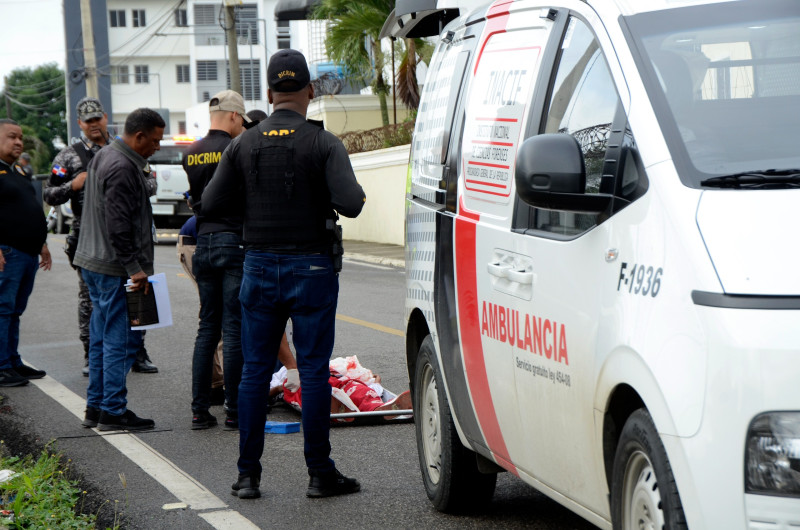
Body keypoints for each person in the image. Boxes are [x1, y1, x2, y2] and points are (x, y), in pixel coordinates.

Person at [202, 49, 366, 500]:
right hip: (312, 267)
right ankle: (319, 473)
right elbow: (351, 202)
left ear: (270, 93)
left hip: (258, 265)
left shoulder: (243, 144)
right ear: (310, 91)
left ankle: (247, 476)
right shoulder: (323, 142)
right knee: (313, 371)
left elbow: (211, 205)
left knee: (254, 371)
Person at [45, 97, 159, 377]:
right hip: (89, 235)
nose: (94, 125)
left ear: (105, 117)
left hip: (128, 232)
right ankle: (92, 354)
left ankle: (137, 352)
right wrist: (73, 184)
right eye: (88, 121)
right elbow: (49, 193)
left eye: (98, 119)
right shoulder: (69, 156)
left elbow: (152, 183)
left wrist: (134, 184)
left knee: (138, 295)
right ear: (80, 124)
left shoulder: (127, 147)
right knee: (91, 301)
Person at [73, 108, 165, 431]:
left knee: (100, 336)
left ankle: (95, 407)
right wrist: (134, 268)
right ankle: (113, 410)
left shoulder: (104, 155)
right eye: (154, 141)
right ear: (138, 136)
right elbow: (118, 225)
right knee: (119, 339)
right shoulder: (124, 167)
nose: (157, 147)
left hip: (94, 262)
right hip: (113, 267)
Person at [183, 90, 251, 431]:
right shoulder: (237, 147)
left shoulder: (191, 152)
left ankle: (199, 410)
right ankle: (235, 411)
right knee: (233, 328)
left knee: (206, 327)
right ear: (235, 116)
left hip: (203, 242)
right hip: (233, 241)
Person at [0, 119, 51, 387]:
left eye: (20, 137)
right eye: (11, 137)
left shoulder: (18, 171)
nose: (18, 142)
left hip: (28, 252)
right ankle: (1, 366)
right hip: (8, 252)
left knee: (14, 310)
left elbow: (30, 208)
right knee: (3, 309)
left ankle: (13, 361)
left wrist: (42, 243)